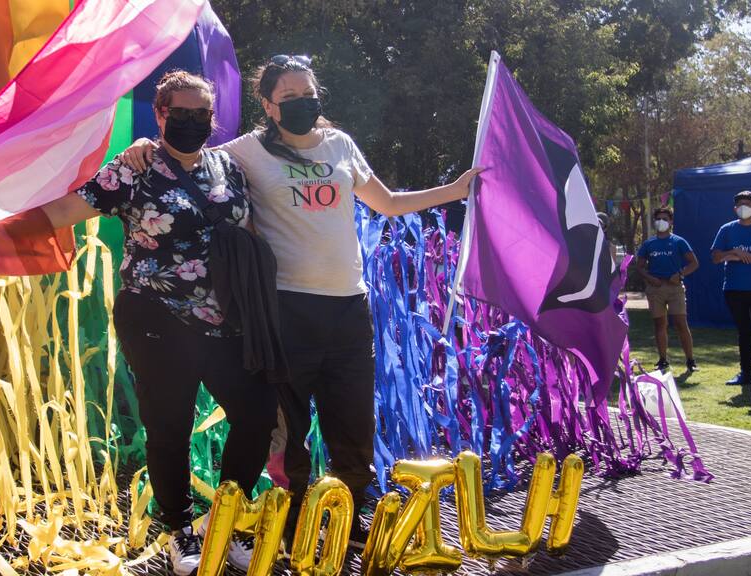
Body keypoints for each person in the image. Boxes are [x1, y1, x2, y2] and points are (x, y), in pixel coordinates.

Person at [121, 55, 483, 553]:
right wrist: (146, 144)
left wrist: (456, 189)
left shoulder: (340, 145)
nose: (300, 104)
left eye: (307, 95)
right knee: (288, 430)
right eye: (288, 98)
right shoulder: (245, 151)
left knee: (352, 419)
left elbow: (389, 202)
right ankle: (290, 521)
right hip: (286, 310)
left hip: (349, 306)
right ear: (267, 105)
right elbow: (188, 157)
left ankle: (351, 514)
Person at [40, 71, 276, 576]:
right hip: (154, 314)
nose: (192, 122)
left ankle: (225, 523)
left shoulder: (227, 168)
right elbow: (67, 208)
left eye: (202, 115)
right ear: (161, 114)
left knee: (256, 413)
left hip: (224, 317)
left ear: (213, 119)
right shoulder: (135, 169)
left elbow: (249, 227)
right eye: (181, 113)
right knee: (170, 425)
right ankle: (179, 531)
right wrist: (4, 217)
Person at [636, 206, 699, 372]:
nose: (661, 222)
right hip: (655, 288)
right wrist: (650, 278)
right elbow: (640, 267)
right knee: (659, 324)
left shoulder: (679, 241)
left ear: (671, 222)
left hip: (675, 288)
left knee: (680, 323)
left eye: (665, 219)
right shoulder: (649, 244)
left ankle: (690, 360)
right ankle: (663, 359)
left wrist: (680, 275)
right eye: (658, 219)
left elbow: (694, 263)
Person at [711, 190, 751, 387]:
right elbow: (716, 257)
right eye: (740, 204)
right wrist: (734, 252)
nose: (743, 207)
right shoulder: (726, 229)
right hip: (734, 290)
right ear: (734, 208)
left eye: (747, 204)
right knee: (744, 332)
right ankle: (746, 374)